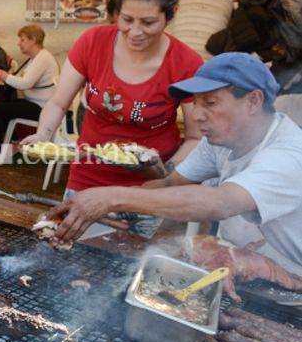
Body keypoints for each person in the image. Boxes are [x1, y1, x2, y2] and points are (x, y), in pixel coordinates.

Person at [50, 53, 302, 274]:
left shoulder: (288, 154)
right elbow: (171, 182)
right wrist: (103, 208)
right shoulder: (220, 139)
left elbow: (221, 202)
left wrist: (110, 198)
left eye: (210, 103)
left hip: (290, 283)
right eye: (196, 102)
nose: (196, 115)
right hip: (237, 266)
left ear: (253, 101)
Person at [21, 0, 204, 238]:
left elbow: (195, 137)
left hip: (148, 190)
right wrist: (43, 135)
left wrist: (168, 175)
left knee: (126, 265)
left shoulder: (186, 63)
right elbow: (58, 102)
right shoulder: (93, 41)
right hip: (88, 176)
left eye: (148, 22)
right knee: (70, 252)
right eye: (127, 20)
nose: (135, 32)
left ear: (171, 16)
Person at [0, 25, 59, 161]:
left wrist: (2, 74)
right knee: (5, 104)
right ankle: (12, 140)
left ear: (33, 40)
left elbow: (25, 83)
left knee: (2, 108)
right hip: (38, 103)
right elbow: (24, 80)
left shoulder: (42, 58)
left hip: (43, 107)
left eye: (22, 40)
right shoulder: (36, 57)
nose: (19, 43)